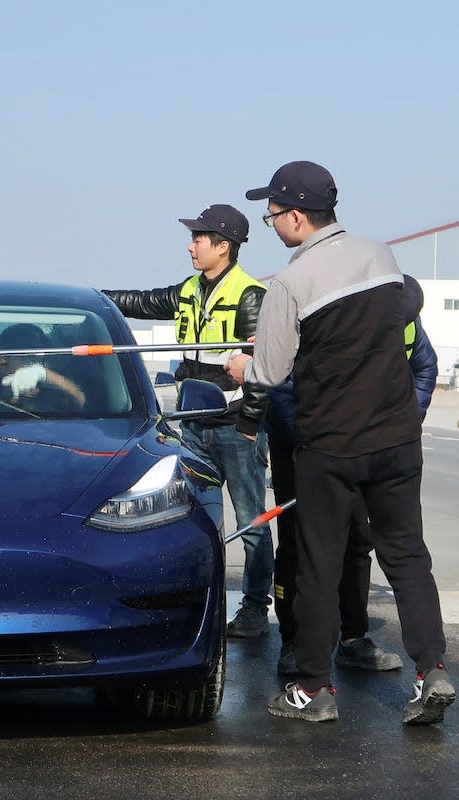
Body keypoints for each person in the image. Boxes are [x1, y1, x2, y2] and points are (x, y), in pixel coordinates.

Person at [227, 160, 452, 725]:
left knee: (318, 567)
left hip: (331, 446)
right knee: (406, 556)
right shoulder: (383, 257)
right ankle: (432, 672)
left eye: (272, 214)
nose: (272, 225)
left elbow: (271, 372)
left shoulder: (289, 282)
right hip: (398, 437)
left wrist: (243, 363)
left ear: (297, 216)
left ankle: (312, 688)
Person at [103, 205, 272, 637]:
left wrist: (250, 425)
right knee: (190, 516)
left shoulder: (250, 295)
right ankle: (194, 594)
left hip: (235, 428)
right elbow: (141, 302)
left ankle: (254, 607)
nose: (190, 245)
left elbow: (259, 368)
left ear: (223, 246)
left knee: (251, 519)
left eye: (198, 238)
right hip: (193, 426)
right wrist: (94, 298)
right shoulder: (190, 289)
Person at [269, 275, 438, 677]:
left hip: (363, 446)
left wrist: (404, 424)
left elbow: (424, 368)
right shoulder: (331, 324)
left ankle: (353, 637)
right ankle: (295, 645)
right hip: (307, 447)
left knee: (359, 542)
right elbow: (281, 387)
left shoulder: (408, 323)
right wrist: (309, 442)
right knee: (301, 547)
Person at [0, 323, 86, 412]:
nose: (29, 368)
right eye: (27, 360)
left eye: (40, 362)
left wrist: (45, 375)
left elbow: (83, 404)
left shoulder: (55, 389)